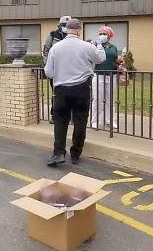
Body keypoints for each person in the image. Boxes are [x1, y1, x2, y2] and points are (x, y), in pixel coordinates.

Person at [44, 18, 106, 166]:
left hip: (61, 90)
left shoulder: (56, 48)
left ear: (66, 29)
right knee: (80, 121)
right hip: (81, 88)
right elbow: (101, 58)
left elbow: (49, 73)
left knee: (60, 121)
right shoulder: (86, 46)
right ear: (79, 30)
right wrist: (99, 45)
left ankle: (58, 153)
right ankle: (75, 154)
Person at [43, 15, 71, 124]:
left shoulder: (72, 36)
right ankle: (55, 115)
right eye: (64, 25)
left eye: (67, 25)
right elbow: (46, 51)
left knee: (68, 94)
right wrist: (48, 65)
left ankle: (68, 115)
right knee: (56, 94)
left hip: (68, 71)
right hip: (55, 71)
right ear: (60, 25)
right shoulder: (52, 35)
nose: (65, 27)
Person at [91, 26, 119, 130]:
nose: (102, 35)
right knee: (97, 100)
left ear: (109, 36)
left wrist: (120, 64)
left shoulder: (113, 47)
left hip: (111, 76)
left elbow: (114, 60)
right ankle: (95, 121)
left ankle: (110, 121)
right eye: (100, 33)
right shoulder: (95, 45)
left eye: (104, 34)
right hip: (98, 75)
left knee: (110, 100)